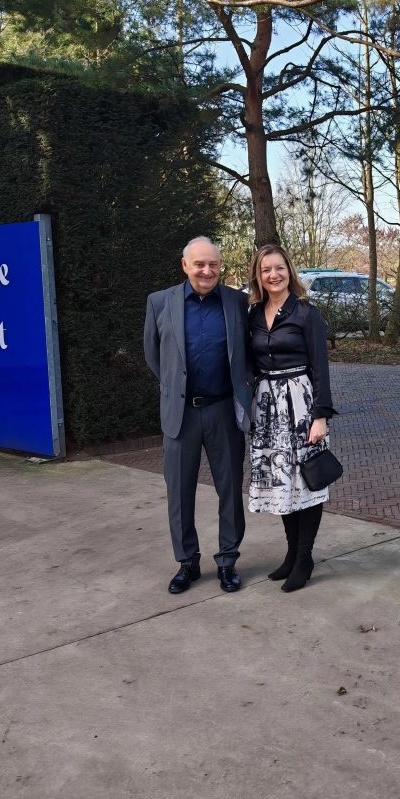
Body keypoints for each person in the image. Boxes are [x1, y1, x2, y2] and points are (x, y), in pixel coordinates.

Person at [144, 237, 253, 594]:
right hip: (181, 413)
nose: (207, 271)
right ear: (185, 265)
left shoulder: (237, 303)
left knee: (230, 489)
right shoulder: (160, 302)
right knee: (179, 491)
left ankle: (227, 561)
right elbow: (153, 355)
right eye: (199, 264)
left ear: (221, 267)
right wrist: (175, 387)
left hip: (224, 411)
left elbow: (247, 354)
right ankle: (187, 563)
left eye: (213, 264)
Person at [247, 244, 336, 592]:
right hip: (268, 408)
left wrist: (320, 416)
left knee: (306, 481)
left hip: (301, 405)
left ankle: (304, 558)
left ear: (290, 271)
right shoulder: (254, 314)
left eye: (279, 268)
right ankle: (291, 554)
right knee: (281, 482)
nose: (274, 274)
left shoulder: (305, 313)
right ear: (258, 276)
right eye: (266, 269)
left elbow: (321, 367)